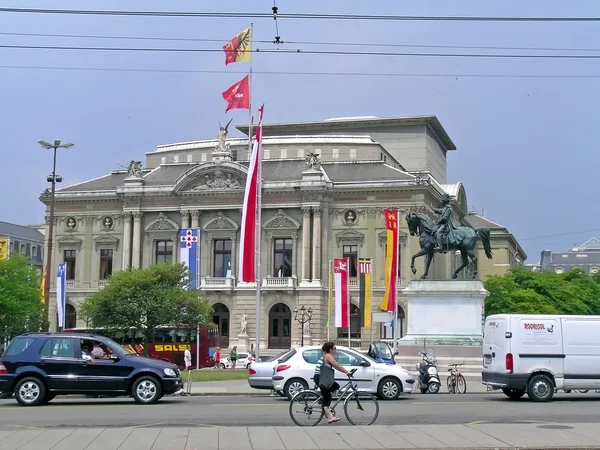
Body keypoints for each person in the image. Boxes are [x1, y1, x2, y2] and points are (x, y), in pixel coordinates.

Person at [320, 342, 352, 423]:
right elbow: (336, 364)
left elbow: (335, 366)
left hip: (325, 380)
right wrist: (346, 372)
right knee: (327, 398)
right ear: (330, 349)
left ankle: (327, 409)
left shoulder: (328, 356)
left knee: (335, 387)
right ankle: (329, 416)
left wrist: (345, 372)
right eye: (334, 348)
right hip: (325, 381)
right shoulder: (328, 356)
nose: (336, 350)